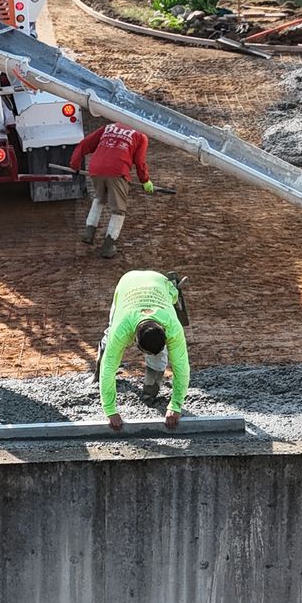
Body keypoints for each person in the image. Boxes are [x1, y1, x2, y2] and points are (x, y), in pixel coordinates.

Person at [95, 270, 190, 432]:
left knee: (160, 357)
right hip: (128, 283)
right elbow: (109, 367)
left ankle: (150, 389)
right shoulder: (121, 330)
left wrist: (176, 405)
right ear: (135, 343)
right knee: (110, 339)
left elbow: (181, 367)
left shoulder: (172, 327)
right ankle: (100, 360)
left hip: (159, 283)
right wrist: (110, 410)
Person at [69, 121, 155, 259]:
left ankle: (89, 233)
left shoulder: (109, 127)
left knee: (99, 199)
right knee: (118, 210)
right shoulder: (140, 136)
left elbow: (85, 143)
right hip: (117, 171)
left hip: (96, 168)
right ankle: (109, 245)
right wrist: (145, 181)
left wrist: (75, 163)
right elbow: (140, 162)